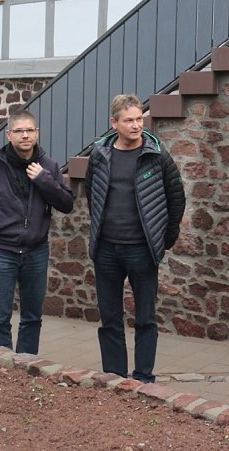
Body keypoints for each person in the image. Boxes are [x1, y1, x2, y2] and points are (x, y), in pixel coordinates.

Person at [85, 94, 185, 383]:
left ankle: (143, 377)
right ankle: (115, 375)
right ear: (113, 123)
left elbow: (176, 198)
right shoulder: (99, 156)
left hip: (142, 250)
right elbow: (92, 195)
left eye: (140, 118)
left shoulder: (157, 155)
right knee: (110, 318)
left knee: (145, 318)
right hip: (106, 251)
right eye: (129, 120)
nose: (136, 125)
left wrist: (163, 240)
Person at [0, 109, 75, 355]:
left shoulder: (48, 166)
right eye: (19, 131)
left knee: (32, 318)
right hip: (1, 252)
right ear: (9, 134)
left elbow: (67, 204)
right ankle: (1, 370)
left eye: (30, 130)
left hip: (36, 252)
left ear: (37, 133)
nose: (25, 135)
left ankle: (25, 369)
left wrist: (43, 179)